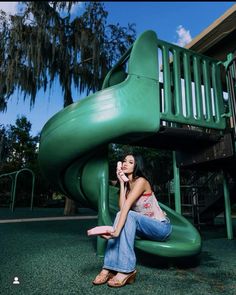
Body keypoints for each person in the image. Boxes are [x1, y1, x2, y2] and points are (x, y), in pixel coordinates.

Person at [92, 153, 172, 288]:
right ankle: (108, 268)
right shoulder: (128, 187)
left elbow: (127, 208)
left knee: (127, 215)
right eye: (124, 161)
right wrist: (123, 184)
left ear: (137, 166)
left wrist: (116, 231)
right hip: (144, 229)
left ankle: (126, 269)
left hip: (161, 227)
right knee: (121, 214)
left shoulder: (141, 181)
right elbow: (122, 208)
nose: (124, 164)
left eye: (130, 162)